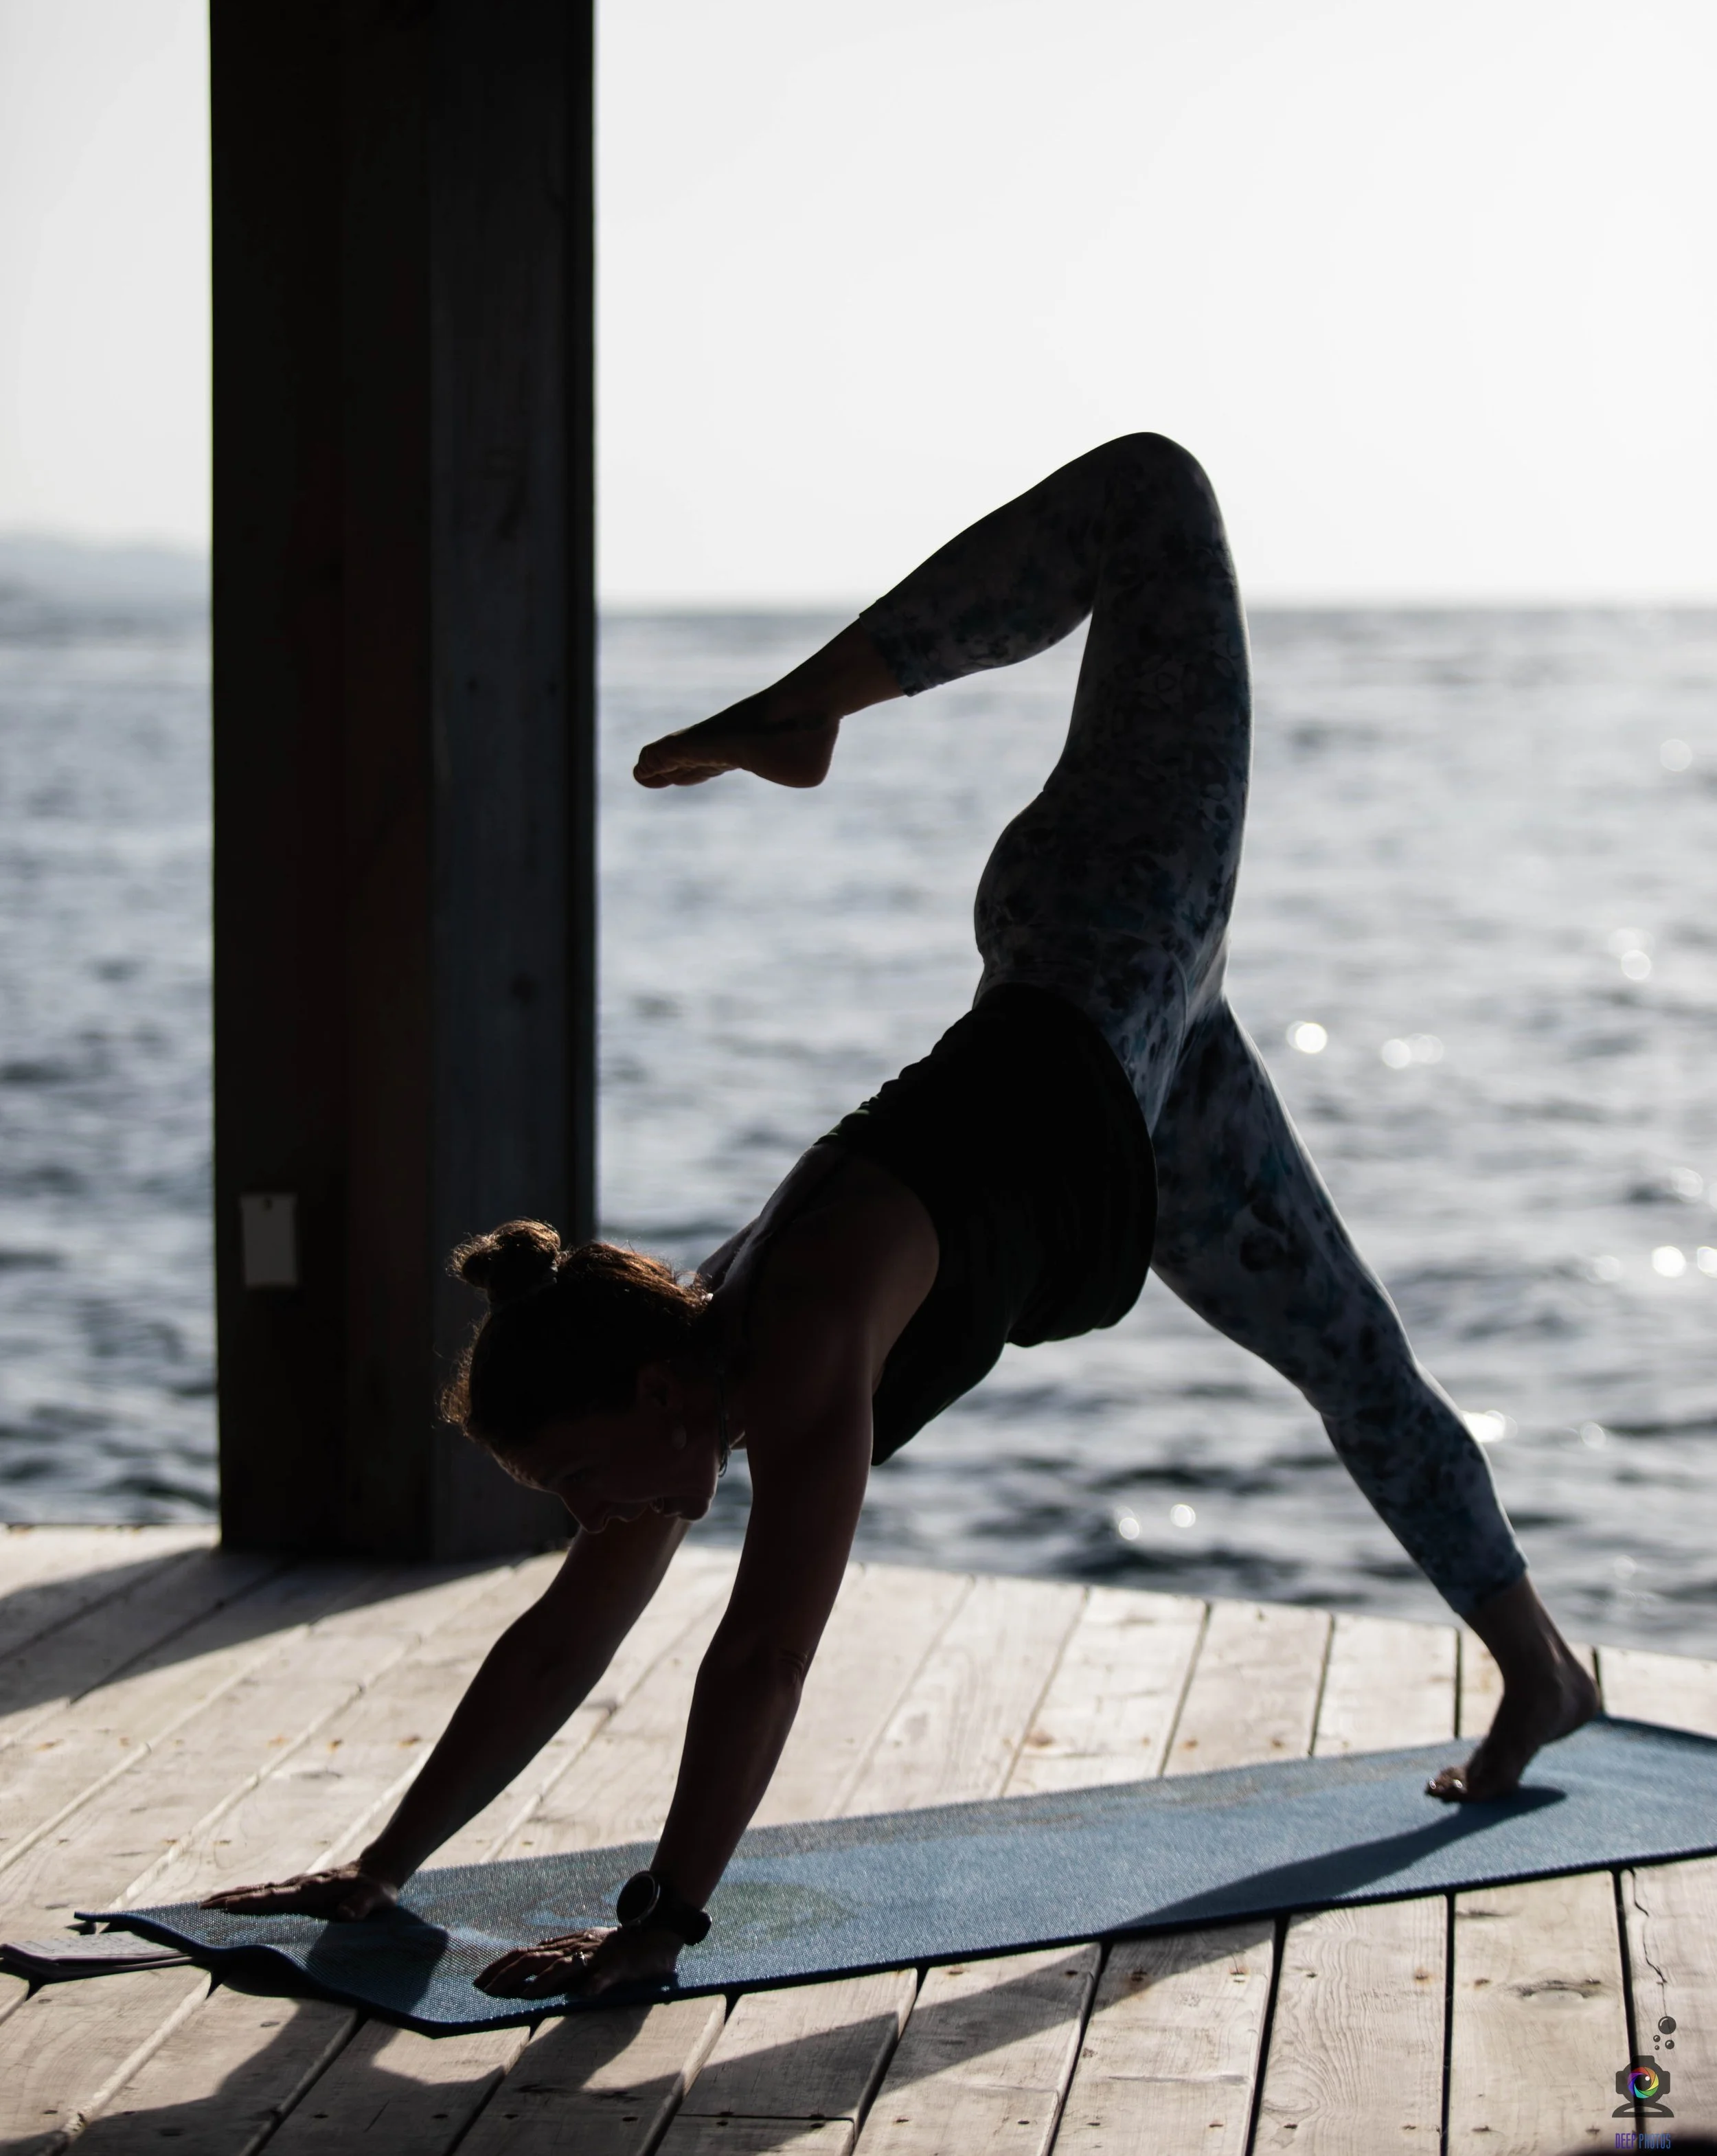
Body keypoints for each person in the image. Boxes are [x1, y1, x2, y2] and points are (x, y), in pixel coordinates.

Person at [209, 435, 1596, 2000]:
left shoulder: (790, 1349)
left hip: (1108, 931)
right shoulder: (683, 1398)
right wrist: (383, 1867)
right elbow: (556, 1644)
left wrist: (658, 1925)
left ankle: (814, 700)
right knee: (1354, 1361)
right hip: (1145, 1087)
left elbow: (763, 1653)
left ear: (656, 1399)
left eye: (582, 1483)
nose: (589, 1521)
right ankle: (1538, 1670)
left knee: (1151, 494)